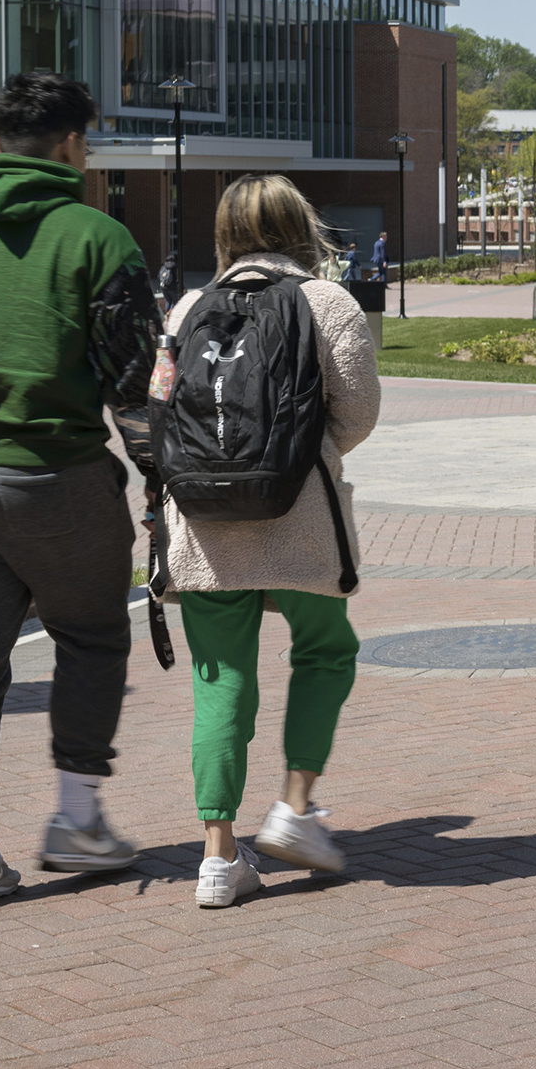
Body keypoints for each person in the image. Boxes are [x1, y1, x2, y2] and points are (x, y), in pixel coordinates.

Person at [0, 72, 158, 907]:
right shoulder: (98, 237)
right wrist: (161, 475)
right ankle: (77, 817)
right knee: (91, 636)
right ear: (73, 144)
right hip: (61, 477)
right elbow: (129, 380)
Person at [162, 174, 381, 909]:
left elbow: (162, 409)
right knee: (326, 650)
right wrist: (296, 454)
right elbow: (357, 412)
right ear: (299, 228)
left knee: (219, 683)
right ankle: (294, 804)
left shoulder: (188, 307)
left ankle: (219, 858)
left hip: (205, 531)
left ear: (225, 234)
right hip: (301, 520)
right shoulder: (326, 303)